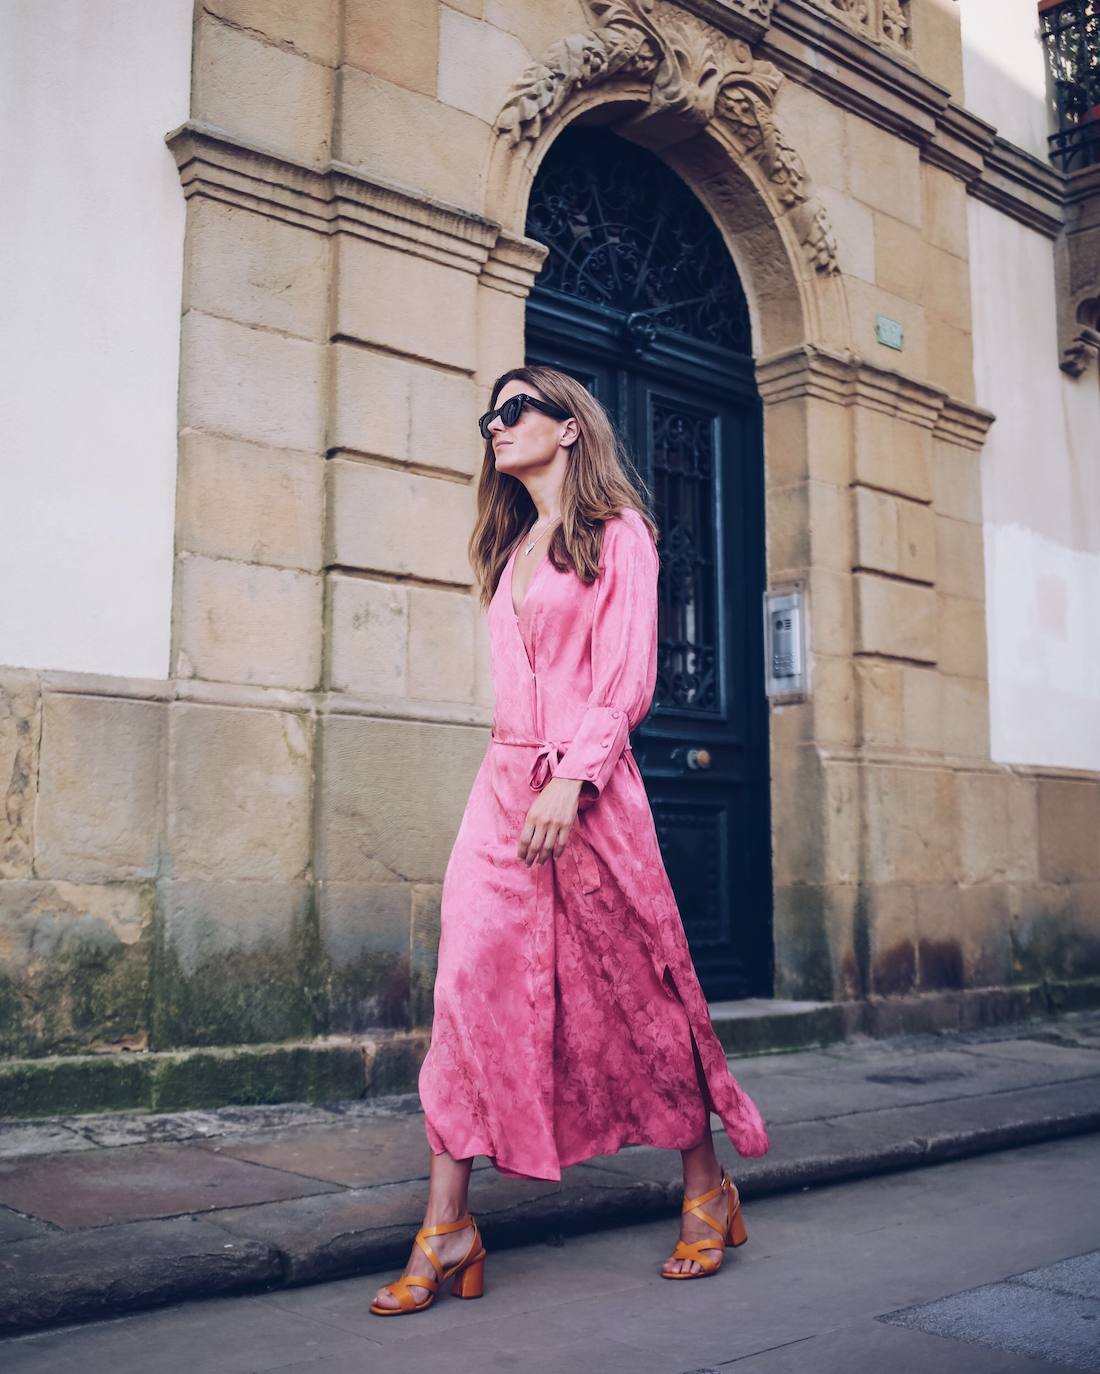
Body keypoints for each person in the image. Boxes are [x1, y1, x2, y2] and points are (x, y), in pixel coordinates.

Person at [370, 365, 770, 1316]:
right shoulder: (512, 546)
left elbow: (627, 678)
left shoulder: (619, 533)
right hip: (502, 793)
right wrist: (530, 780)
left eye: (515, 410)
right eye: (490, 415)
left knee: (638, 994)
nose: (496, 426)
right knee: (466, 992)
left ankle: (707, 1189)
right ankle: (447, 1227)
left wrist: (571, 778)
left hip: (588, 792)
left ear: (570, 427)